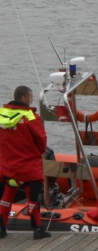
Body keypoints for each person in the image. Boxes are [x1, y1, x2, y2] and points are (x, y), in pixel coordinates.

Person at [0, 86, 50, 239]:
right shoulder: (31, 117)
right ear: (23, 97)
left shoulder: (2, 115)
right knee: (33, 198)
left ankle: (1, 228)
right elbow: (41, 141)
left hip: (7, 166)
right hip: (28, 167)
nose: (31, 99)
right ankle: (37, 229)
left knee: (6, 198)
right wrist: (37, 152)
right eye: (30, 96)